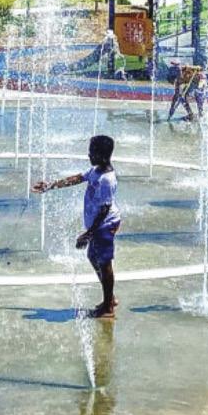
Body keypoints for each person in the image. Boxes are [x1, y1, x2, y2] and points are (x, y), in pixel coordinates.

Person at [33, 135, 121, 318]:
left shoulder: (107, 179)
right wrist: (50, 186)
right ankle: (109, 297)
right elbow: (78, 178)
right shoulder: (96, 170)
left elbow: (104, 210)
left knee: (104, 263)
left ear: (102, 156)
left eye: (92, 152)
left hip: (105, 225)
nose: (88, 155)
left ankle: (108, 307)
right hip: (99, 226)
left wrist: (88, 234)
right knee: (93, 257)